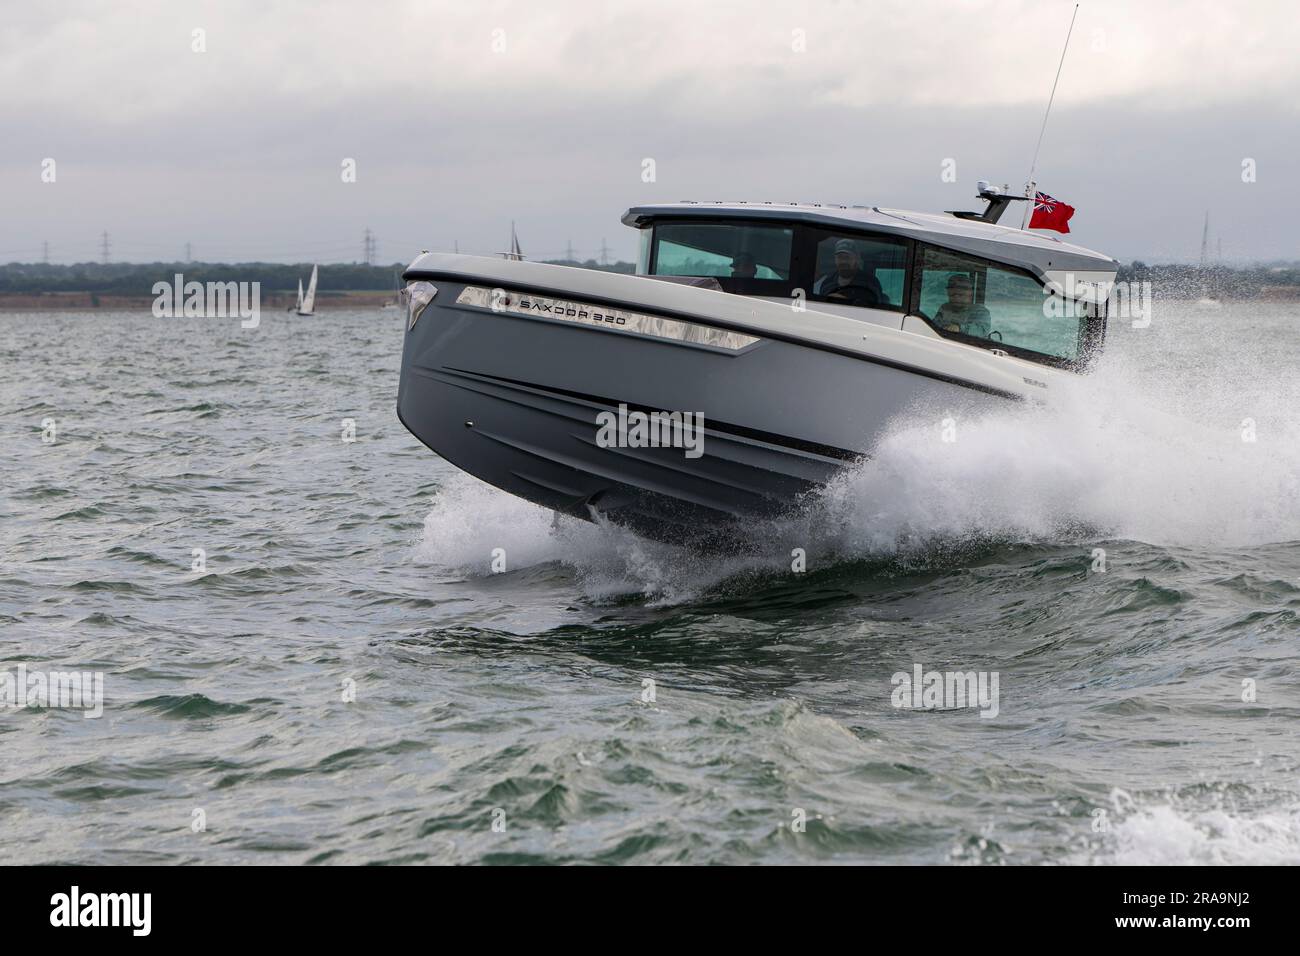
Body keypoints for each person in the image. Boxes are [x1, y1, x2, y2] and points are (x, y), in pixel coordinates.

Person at [813, 238, 883, 306]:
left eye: (847, 257)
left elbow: (876, 310)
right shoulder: (827, 283)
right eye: (840, 257)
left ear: (856, 259)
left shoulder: (870, 282)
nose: (843, 261)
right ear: (835, 260)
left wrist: (846, 301)